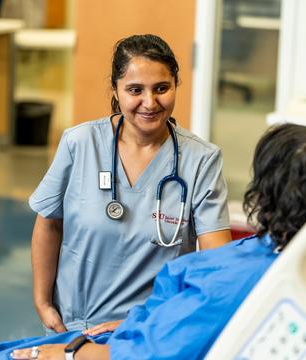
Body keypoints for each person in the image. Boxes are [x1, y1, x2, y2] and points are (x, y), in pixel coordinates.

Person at [0, 123, 306, 360]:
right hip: (128, 328)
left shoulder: (241, 275)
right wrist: (139, 319)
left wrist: (69, 354)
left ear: (265, 190)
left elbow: (152, 353)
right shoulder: (287, 262)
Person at [28, 34, 232, 335]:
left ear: (176, 85)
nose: (149, 103)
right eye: (135, 90)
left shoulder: (201, 160)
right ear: (115, 89)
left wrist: (144, 323)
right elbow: (49, 224)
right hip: (73, 328)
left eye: (162, 88)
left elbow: (217, 263)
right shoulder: (80, 144)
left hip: (151, 332)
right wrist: (43, 302)